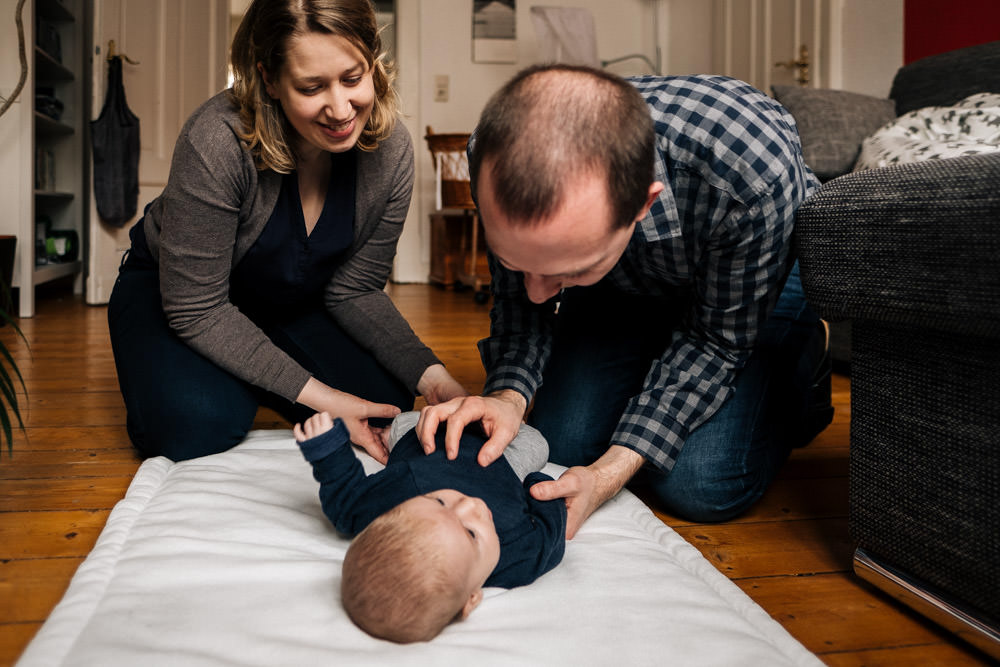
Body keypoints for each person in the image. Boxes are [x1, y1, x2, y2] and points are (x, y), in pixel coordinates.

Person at [417, 64, 834, 534]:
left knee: (699, 484)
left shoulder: (751, 171)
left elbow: (715, 342)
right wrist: (507, 398)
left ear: (643, 202)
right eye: (519, 264)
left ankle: (803, 359)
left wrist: (607, 475)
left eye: (566, 269)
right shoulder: (493, 153)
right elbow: (522, 307)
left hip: (749, 282)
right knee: (562, 445)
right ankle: (630, 327)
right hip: (624, 283)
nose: (536, 292)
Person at [108, 0, 466, 462]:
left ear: (373, 63)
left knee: (387, 397)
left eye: (353, 79)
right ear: (270, 80)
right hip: (181, 297)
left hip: (284, 302)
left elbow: (355, 289)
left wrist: (434, 376)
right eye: (312, 87)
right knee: (196, 422)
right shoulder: (216, 140)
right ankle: (228, 376)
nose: (341, 110)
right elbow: (197, 308)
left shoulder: (391, 151)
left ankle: (251, 365)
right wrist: (326, 401)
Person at [293, 410, 566, 643]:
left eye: (438, 501)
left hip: (427, 433)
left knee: (405, 422)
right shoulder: (520, 555)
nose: (468, 504)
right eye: (471, 533)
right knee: (537, 443)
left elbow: (347, 499)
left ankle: (392, 435)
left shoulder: (390, 504)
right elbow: (551, 527)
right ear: (471, 599)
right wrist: (535, 484)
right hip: (502, 455)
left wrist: (327, 448)